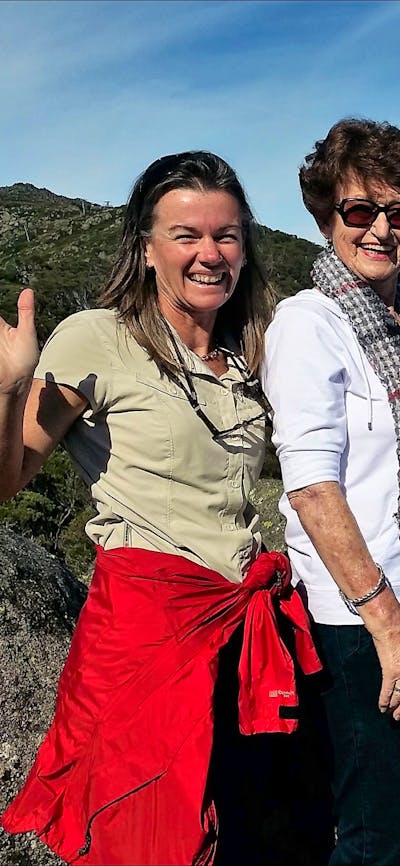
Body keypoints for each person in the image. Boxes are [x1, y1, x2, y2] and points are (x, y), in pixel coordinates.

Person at [0, 151, 321, 866]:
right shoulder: (95, 336)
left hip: (240, 631)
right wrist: (7, 392)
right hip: (145, 632)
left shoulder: (250, 348)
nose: (210, 254)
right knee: (143, 836)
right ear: (145, 249)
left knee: (248, 828)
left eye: (227, 235)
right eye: (187, 236)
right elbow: (10, 476)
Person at [262, 118, 400, 866]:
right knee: (376, 831)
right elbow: (314, 488)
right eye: (361, 211)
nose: (381, 229)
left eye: (398, 213)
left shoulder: (394, 321)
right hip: (358, 624)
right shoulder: (310, 325)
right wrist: (387, 624)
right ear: (325, 218)